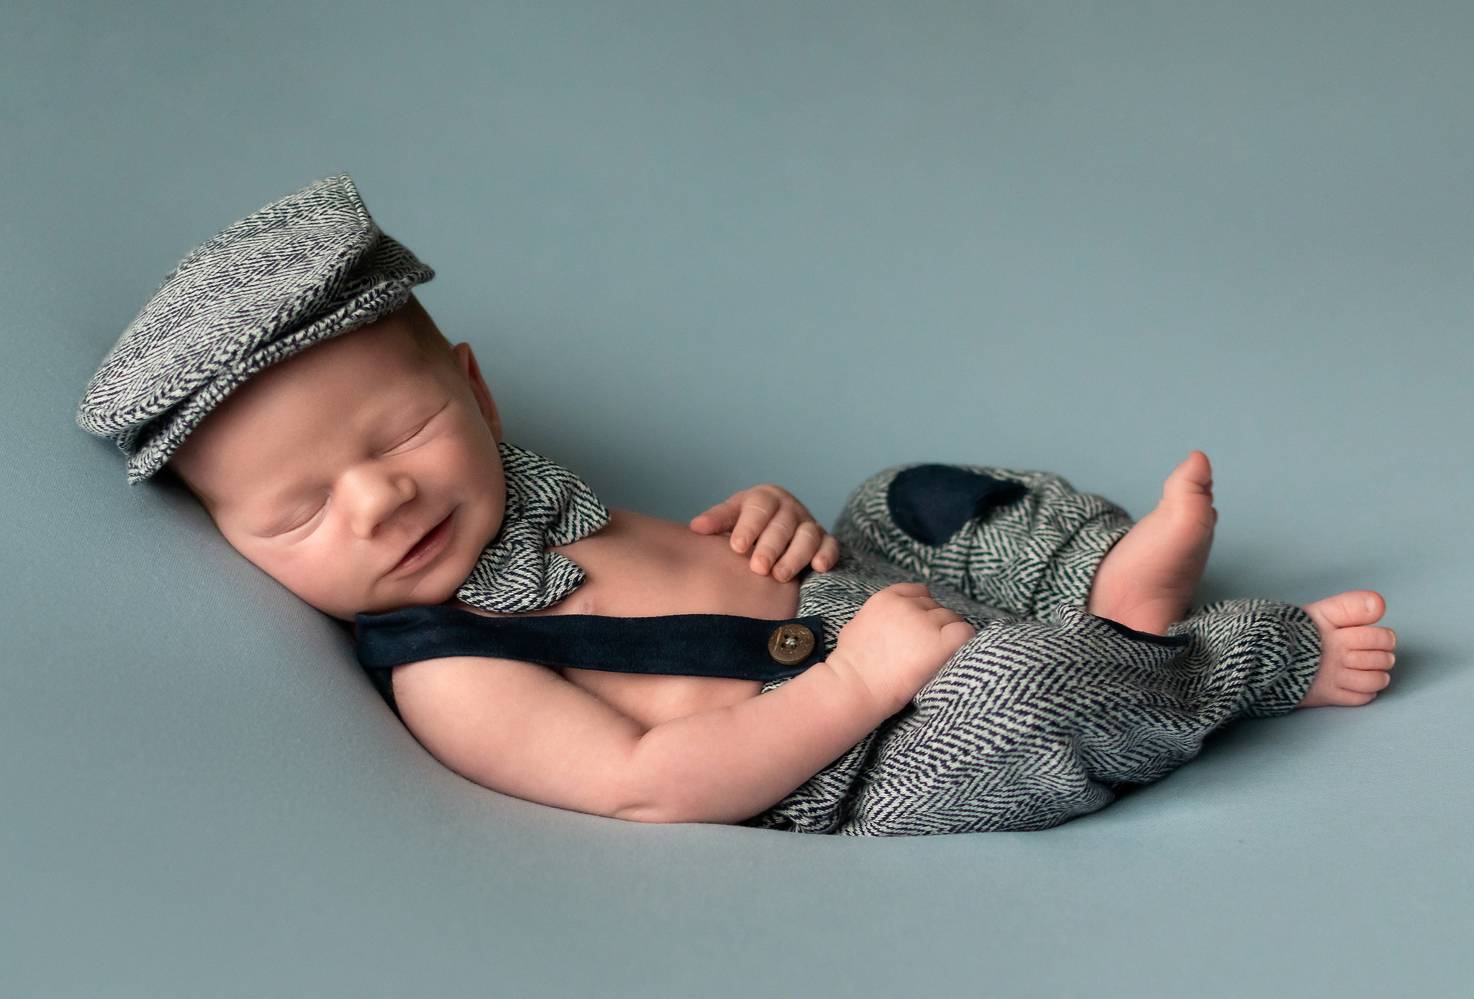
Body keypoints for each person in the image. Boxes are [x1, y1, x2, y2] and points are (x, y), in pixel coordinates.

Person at [76, 174, 1399, 836]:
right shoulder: (452, 671)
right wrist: (858, 686)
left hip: (863, 610)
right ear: (232, 543)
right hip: (856, 755)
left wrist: (774, 528)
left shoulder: (529, 501)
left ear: (474, 390)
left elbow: (692, 571)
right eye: (301, 511)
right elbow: (645, 786)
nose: (380, 496)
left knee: (908, 495)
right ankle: (1224, 657)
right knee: (1019, 700)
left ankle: (1095, 580)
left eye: (404, 431)